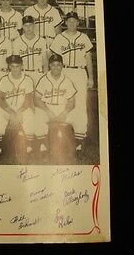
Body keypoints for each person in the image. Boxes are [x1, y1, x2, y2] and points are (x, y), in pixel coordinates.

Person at [49, 11, 94, 154]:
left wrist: (91, 77)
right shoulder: (59, 38)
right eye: (69, 21)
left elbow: (88, 58)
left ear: (78, 23)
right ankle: (61, 135)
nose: (72, 23)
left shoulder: (84, 37)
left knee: (80, 104)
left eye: (74, 21)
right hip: (64, 71)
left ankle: (80, 140)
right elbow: (53, 58)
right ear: (65, 23)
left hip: (80, 72)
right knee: (62, 102)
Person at [34, 54, 86, 159]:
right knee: (37, 117)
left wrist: (64, 113)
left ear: (62, 66)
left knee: (81, 117)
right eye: (53, 65)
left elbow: (72, 101)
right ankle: (43, 148)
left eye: (58, 65)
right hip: (47, 107)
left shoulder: (67, 80)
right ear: (49, 66)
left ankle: (78, 147)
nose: (56, 67)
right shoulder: (43, 79)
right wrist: (47, 111)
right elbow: (36, 99)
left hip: (63, 108)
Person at [0, 55, 34, 162]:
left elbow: (28, 100)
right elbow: (0, 99)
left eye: (17, 66)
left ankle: (28, 148)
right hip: (8, 109)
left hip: (23, 109)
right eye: (12, 66)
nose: (15, 69)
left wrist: (19, 112)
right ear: (9, 67)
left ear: (21, 66)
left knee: (30, 116)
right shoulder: (4, 79)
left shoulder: (28, 79)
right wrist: (11, 112)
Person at [12, 15, 49, 85]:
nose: (28, 28)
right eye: (26, 25)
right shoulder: (17, 41)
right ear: (22, 26)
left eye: (30, 25)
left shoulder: (42, 41)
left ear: (34, 25)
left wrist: (45, 76)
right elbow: (16, 62)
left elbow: (45, 61)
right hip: (23, 74)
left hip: (38, 73)